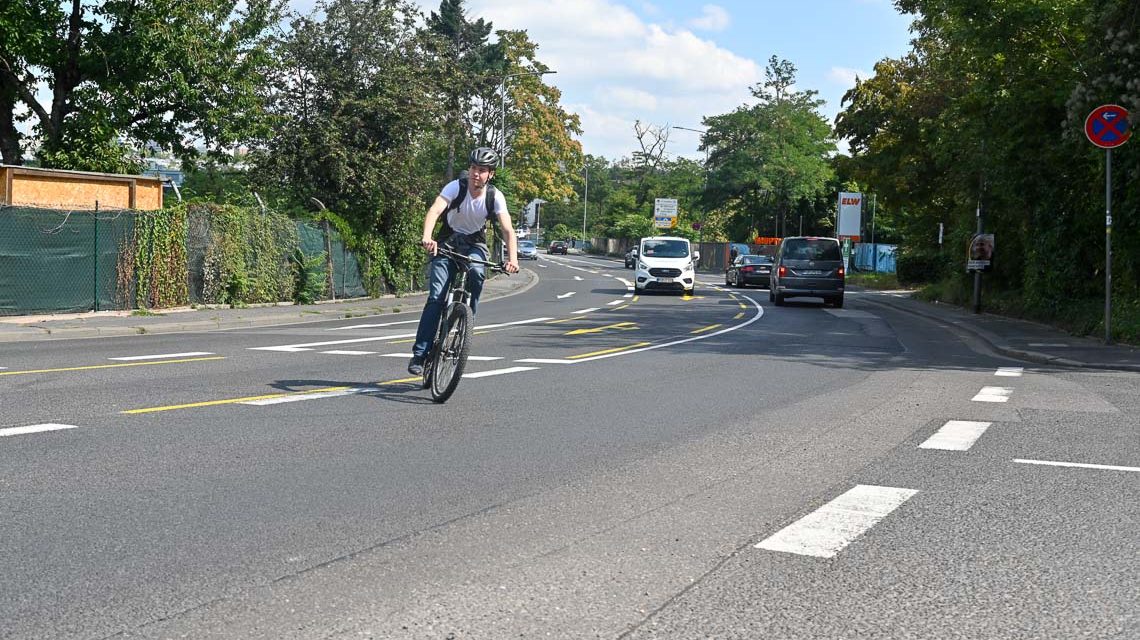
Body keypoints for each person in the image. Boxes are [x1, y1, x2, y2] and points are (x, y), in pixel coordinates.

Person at [408, 147, 519, 375]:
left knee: (478, 271)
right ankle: (420, 354)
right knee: (436, 298)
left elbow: (508, 229)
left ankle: (468, 316)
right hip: (447, 242)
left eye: (481, 170)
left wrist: (512, 259)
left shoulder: (494, 196)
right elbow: (434, 210)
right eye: (473, 168)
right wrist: (427, 237)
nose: (476, 174)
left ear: (490, 175)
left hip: (474, 243)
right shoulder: (455, 187)